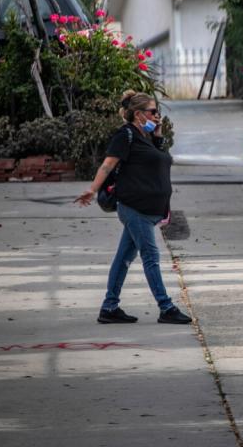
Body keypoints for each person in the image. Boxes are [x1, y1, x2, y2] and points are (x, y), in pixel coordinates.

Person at [76, 91, 192, 325]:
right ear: (138, 114)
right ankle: (166, 307)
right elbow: (108, 165)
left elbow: (160, 161)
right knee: (151, 256)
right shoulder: (125, 135)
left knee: (123, 258)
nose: (157, 115)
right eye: (152, 111)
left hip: (148, 209)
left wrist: (158, 134)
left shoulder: (145, 136)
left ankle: (109, 308)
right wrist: (93, 189)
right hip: (134, 207)